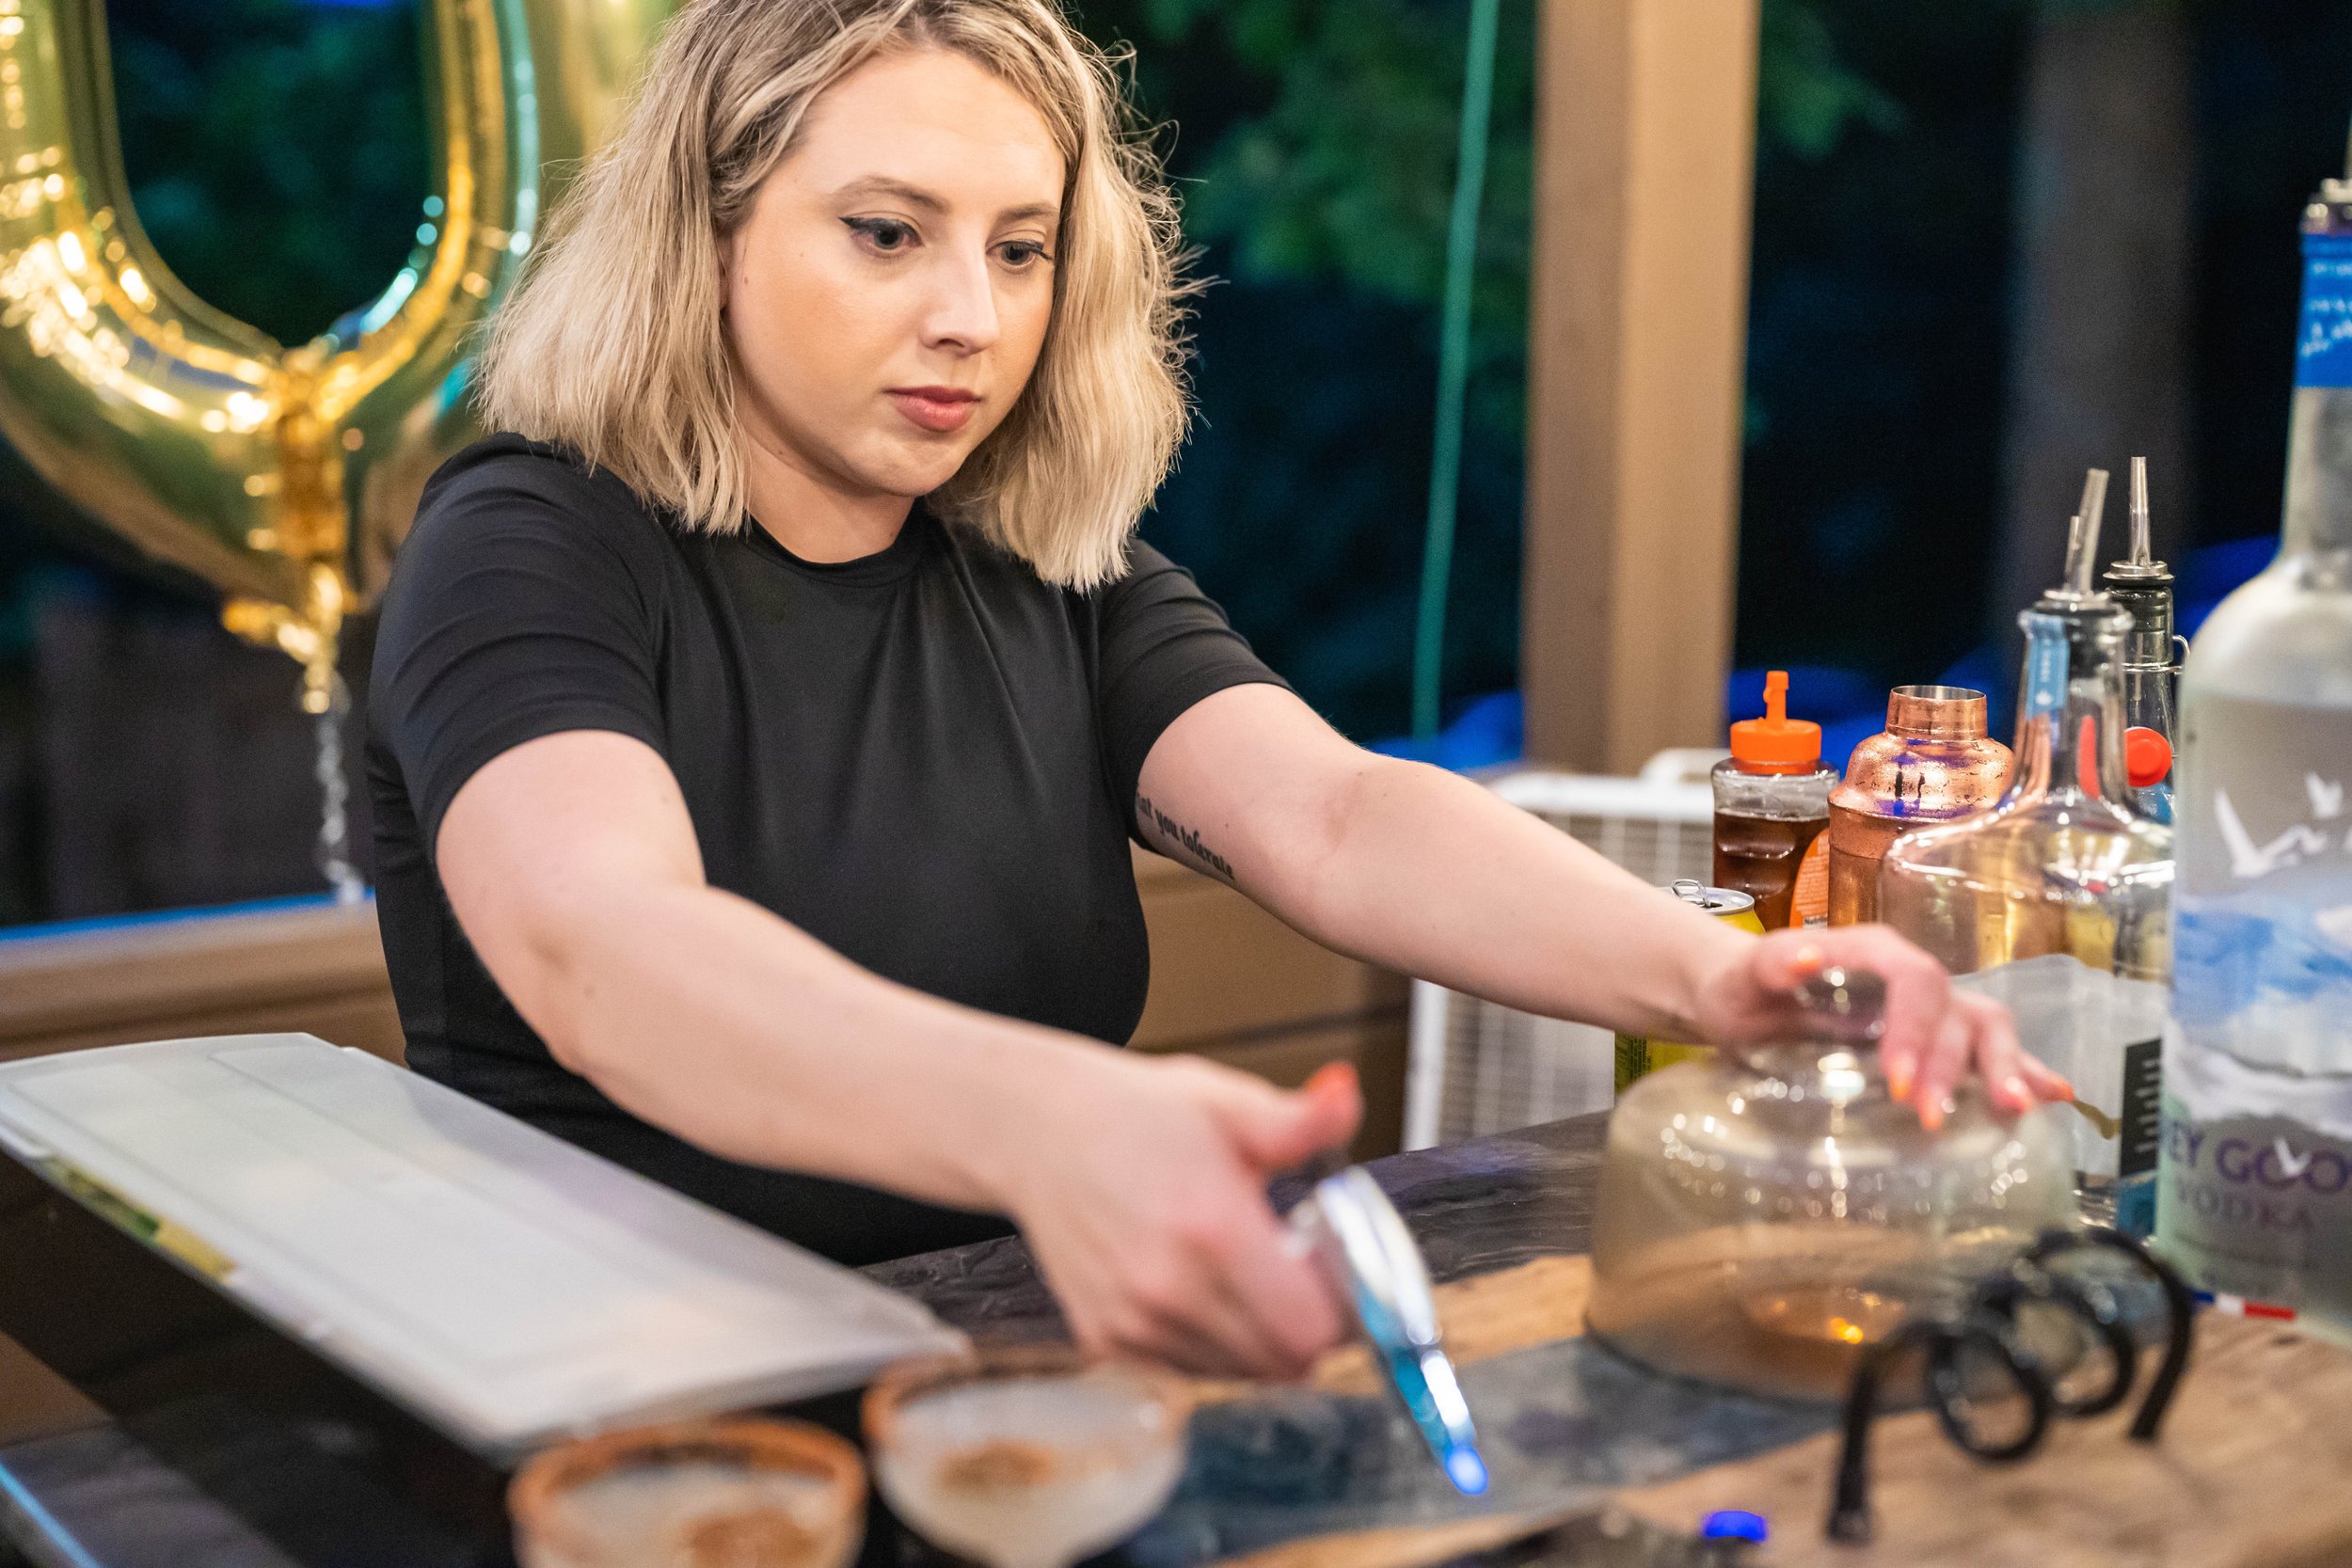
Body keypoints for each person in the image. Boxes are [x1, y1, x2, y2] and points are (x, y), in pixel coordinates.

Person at [368, 0, 2070, 1381]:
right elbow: (607, 948)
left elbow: (1335, 817)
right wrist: (1046, 1122)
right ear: (708, 230)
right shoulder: (529, 544)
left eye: (1021, 250)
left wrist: (1726, 978)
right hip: (621, 1397)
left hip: (1012, 1362)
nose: (971, 316)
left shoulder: (1035, 564)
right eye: (887, 234)